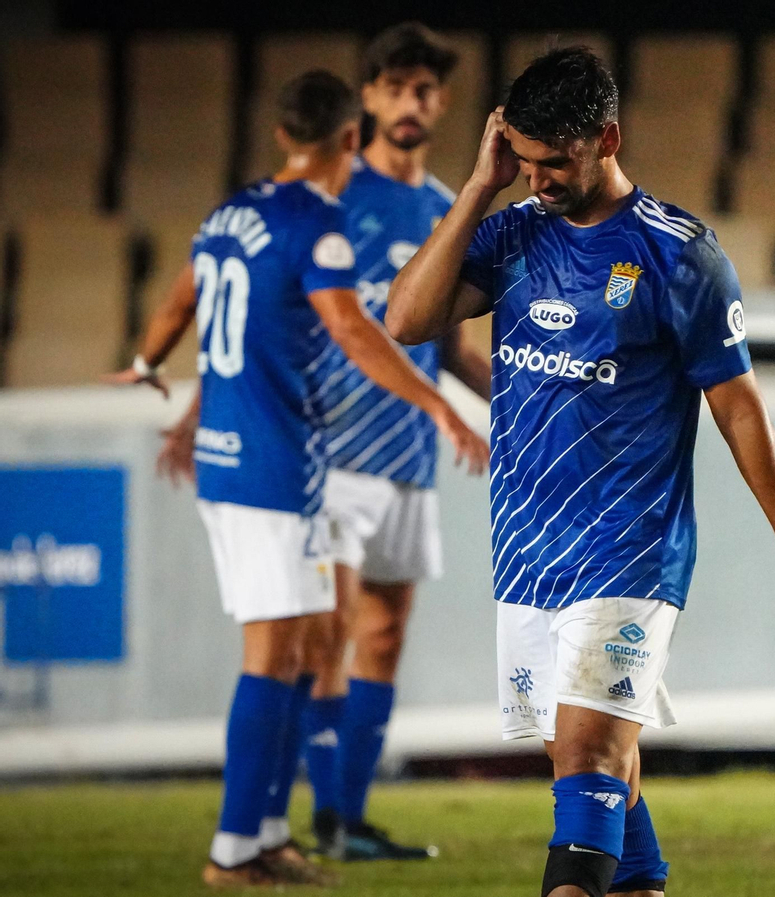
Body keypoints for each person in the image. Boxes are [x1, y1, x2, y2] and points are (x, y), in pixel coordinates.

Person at [383, 48, 775, 897]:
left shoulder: (679, 255)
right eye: (523, 161)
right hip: (527, 546)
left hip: (629, 547)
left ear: (608, 137)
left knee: (590, 755)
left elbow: (740, 410)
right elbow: (407, 317)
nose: (539, 179)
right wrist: (479, 188)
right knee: (580, 754)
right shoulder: (514, 230)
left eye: (554, 161)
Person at [108, 70, 487, 887]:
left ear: (282, 135)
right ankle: (232, 847)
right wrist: (439, 405)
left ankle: (272, 832)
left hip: (242, 461)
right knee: (274, 652)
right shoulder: (319, 222)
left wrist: (145, 362)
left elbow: (181, 300)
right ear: (350, 139)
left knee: (305, 645)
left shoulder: (229, 214)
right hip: (272, 465)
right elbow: (353, 328)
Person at [296, 22, 493, 861]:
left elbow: (450, 345)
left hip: (409, 455)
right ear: (369, 95)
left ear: (441, 103)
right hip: (327, 452)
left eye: (426, 90)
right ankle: (329, 822)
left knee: (383, 634)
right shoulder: (334, 194)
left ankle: (353, 817)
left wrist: (518, 406)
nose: (411, 102)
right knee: (329, 629)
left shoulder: (447, 210)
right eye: (396, 87)